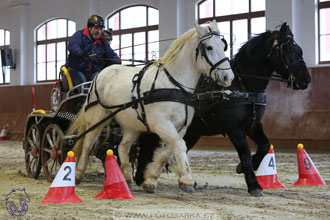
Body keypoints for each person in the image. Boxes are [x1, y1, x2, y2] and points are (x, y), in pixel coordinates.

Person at [66, 15, 121, 87]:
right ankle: (84, 98)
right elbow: (73, 45)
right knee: (83, 85)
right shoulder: (79, 35)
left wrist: (117, 60)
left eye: (100, 29)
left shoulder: (102, 41)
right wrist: (80, 53)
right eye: (96, 28)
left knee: (101, 82)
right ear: (89, 27)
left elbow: (110, 53)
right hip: (78, 70)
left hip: (94, 72)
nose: (98, 31)